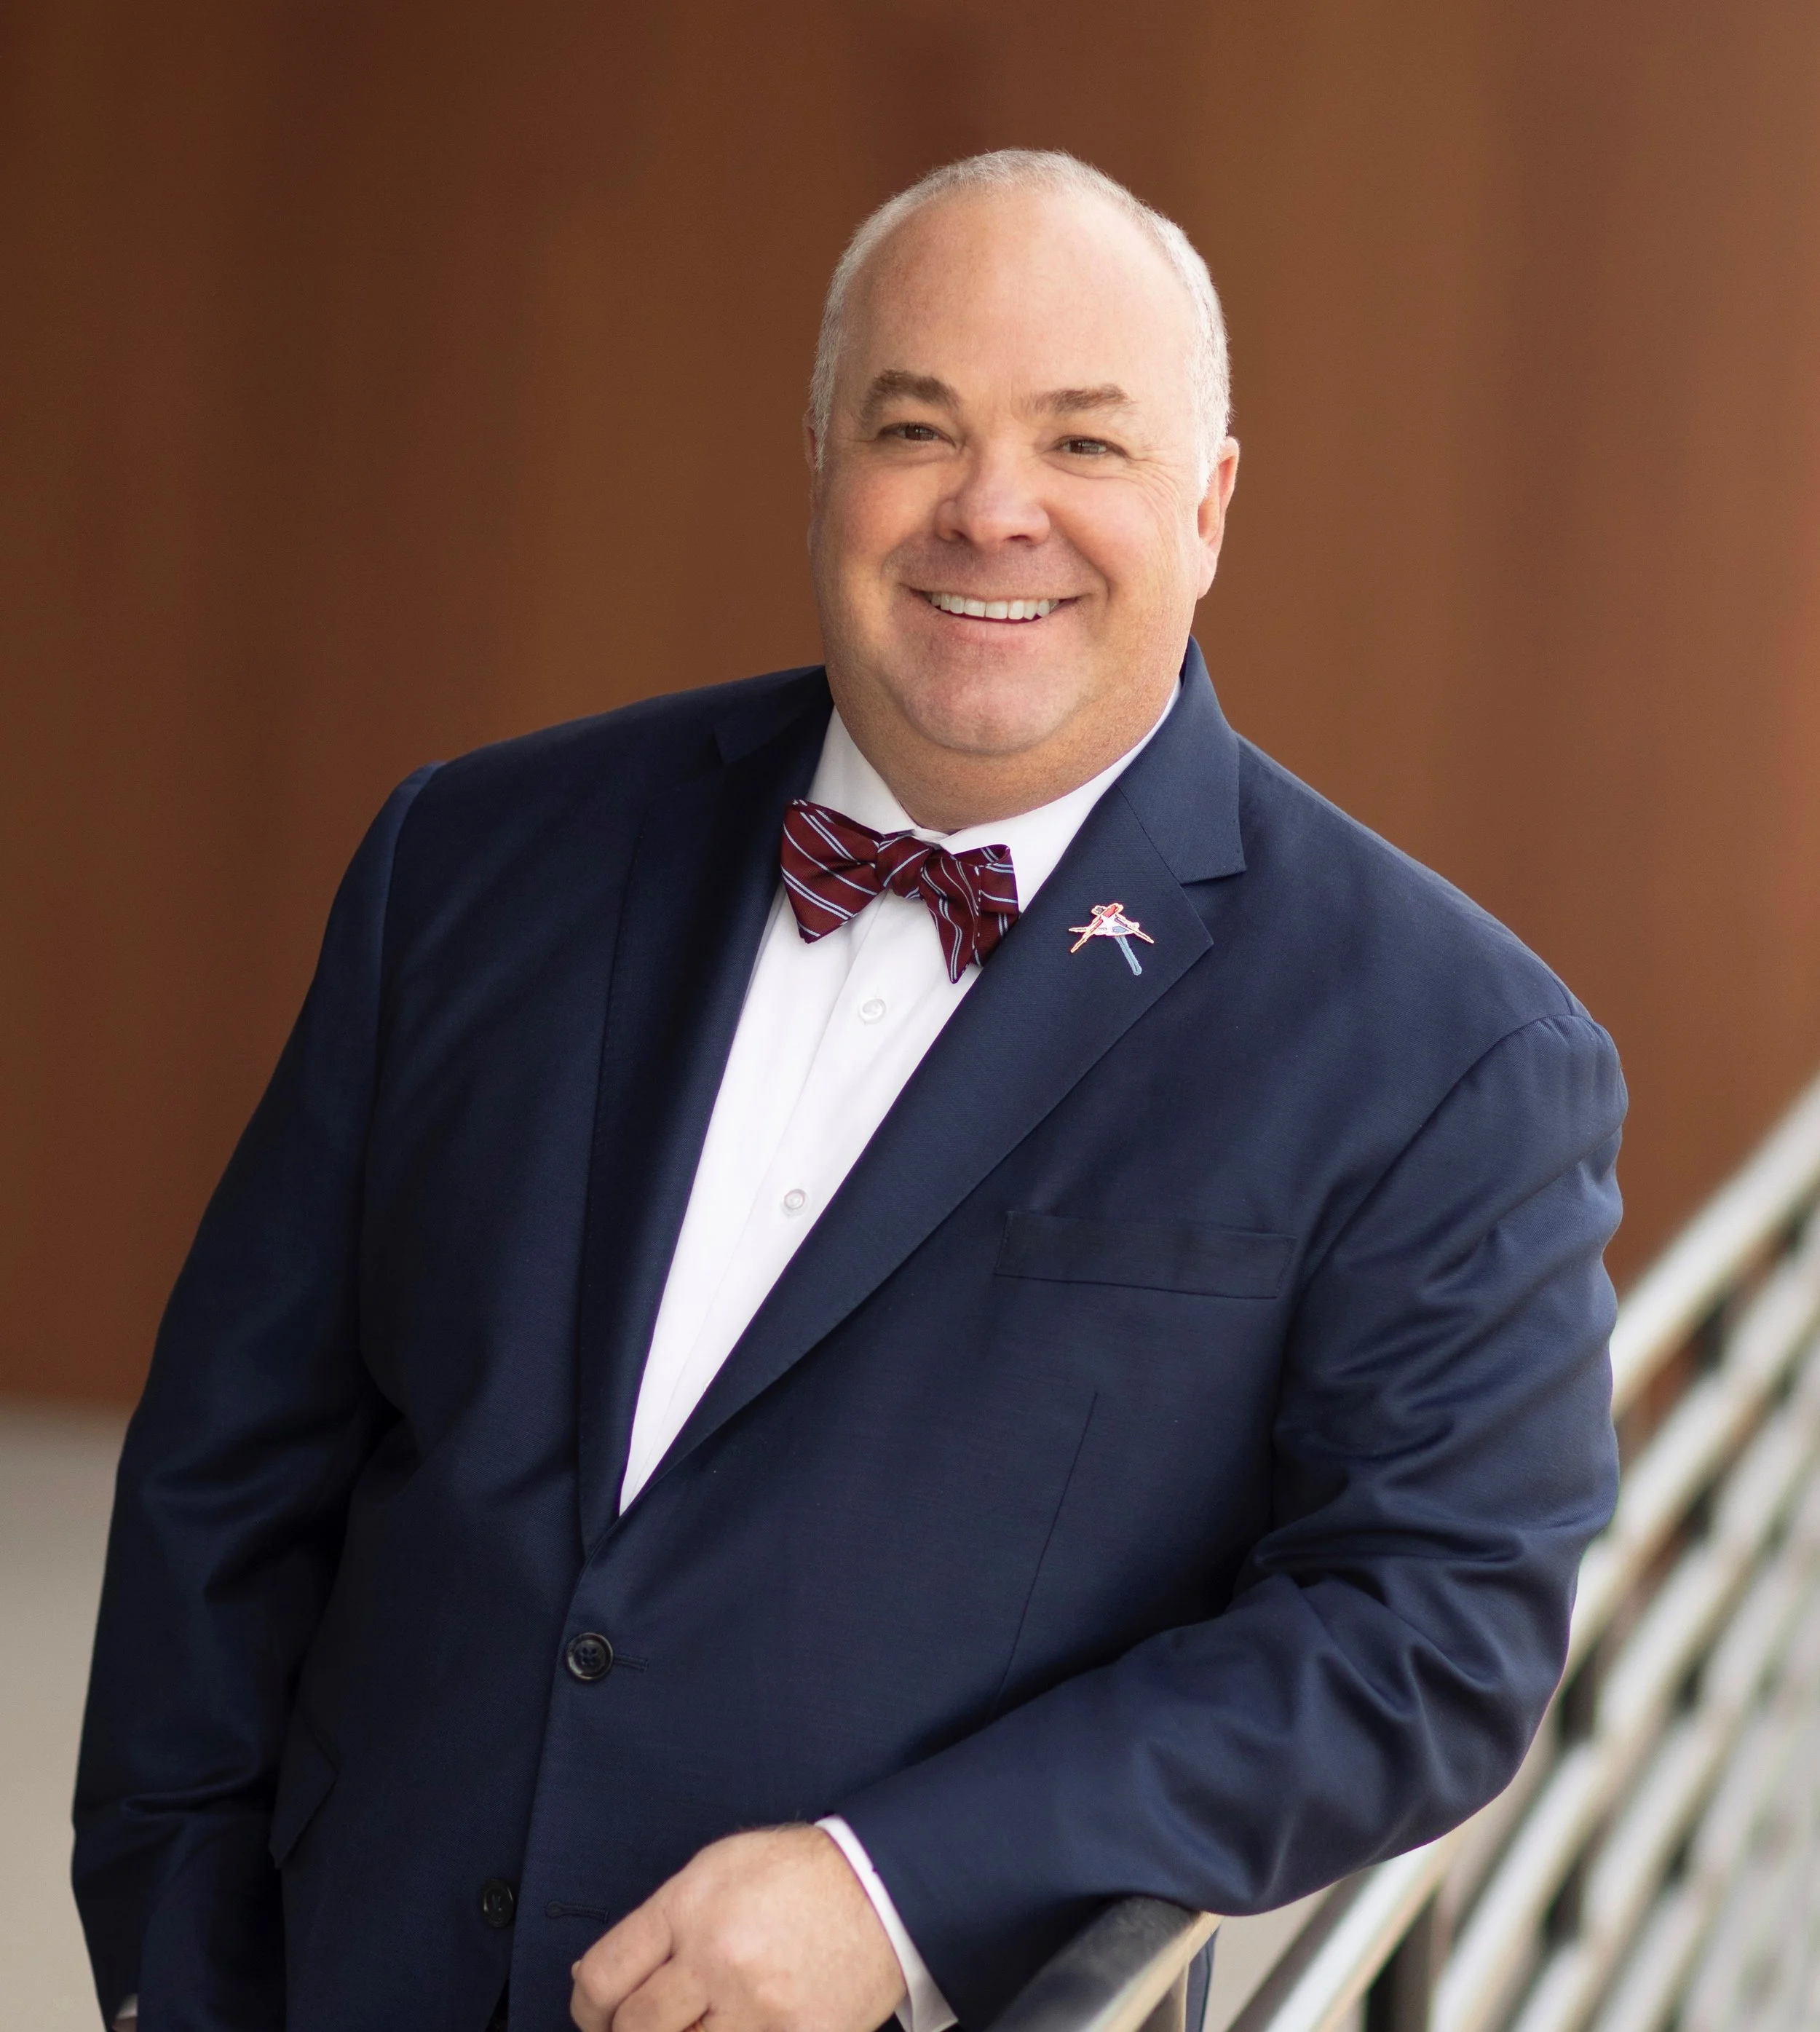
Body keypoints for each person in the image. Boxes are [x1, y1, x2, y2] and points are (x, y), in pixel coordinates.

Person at [73, 150, 1624, 2032]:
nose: (991, 511)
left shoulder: (1445, 1045)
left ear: (1207, 503)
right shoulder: (469, 854)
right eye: (917, 425)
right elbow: (230, 1463)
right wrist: (174, 1956)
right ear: (819, 463)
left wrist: (899, 1890)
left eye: (1084, 443)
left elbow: (1424, 1636)